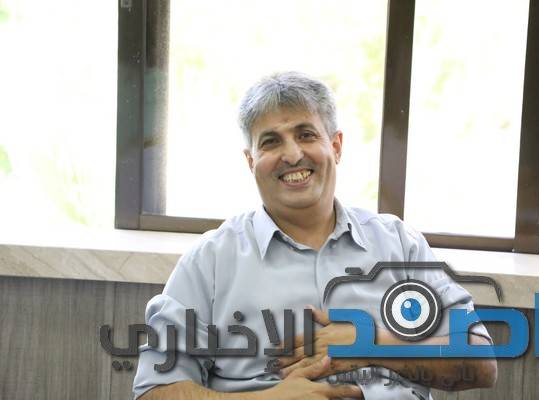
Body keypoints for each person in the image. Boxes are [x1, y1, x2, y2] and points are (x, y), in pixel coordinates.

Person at [132, 72, 497, 400]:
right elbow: (154, 391)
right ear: (251, 161)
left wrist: (369, 342)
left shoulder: (400, 243)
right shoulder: (211, 260)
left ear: (336, 146)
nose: (292, 155)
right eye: (271, 142)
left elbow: (481, 363)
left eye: (306, 135)